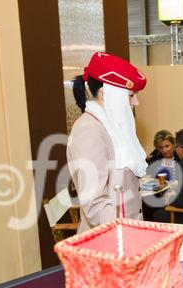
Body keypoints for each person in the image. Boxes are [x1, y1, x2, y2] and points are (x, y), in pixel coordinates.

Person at [68, 52, 148, 233]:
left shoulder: (112, 129)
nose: (136, 102)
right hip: (108, 243)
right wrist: (129, 234)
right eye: (131, 95)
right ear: (105, 93)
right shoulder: (89, 131)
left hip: (126, 236)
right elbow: (95, 204)